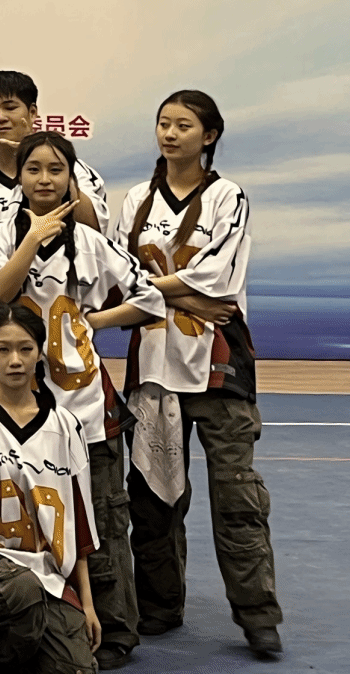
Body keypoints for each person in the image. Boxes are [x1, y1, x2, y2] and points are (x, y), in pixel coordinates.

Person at [0, 133, 163, 670]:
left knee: (103, 518)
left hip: (85, 407)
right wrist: (31, 239)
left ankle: (117, 628)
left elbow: (150, 298)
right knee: (25, 517)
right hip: (17, 408)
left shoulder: (93, 243)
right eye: (33, 168)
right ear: (18, 176)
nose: (45, 179)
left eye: (56, 169)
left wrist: (93, 320)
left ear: (71, 178)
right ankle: (42, 620)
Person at [109, 91, 281, 657]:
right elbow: (118, 275)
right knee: (152, 498)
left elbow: (219, 278)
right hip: (152, 370)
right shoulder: (135, 200)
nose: (170, 133)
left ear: (209, 136)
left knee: (237, 498)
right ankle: (160, 606)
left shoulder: (228, 196)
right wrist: (181, 299)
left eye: (184, 125)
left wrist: (151, 291)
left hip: (218, 369)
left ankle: (257, 615)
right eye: (164, 123)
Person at [0, 303, 100, 674]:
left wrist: (87, 603)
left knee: (76, 668)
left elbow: (78, 528)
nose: (15, 360)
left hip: (49, 574)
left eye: (25, 348)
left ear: (40, 353)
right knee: (20, 592)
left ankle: (32, 643)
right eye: (3, 349)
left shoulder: (66, 425)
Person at [0, 71, 107, 234]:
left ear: (32, 113)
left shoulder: (75, 170)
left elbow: (94, 229)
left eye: (10, 108)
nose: (0, 117)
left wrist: (40, 159)